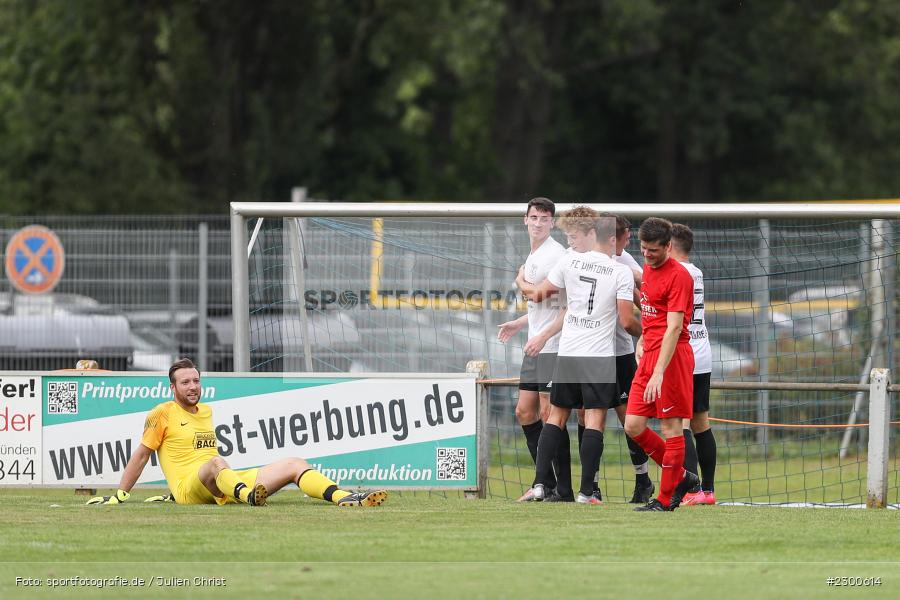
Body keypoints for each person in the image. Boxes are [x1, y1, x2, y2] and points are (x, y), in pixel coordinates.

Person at [87, 358, 387, 508]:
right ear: (172, 387)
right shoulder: (162, 412)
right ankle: (249, 498)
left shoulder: (206, 411)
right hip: (190, 490)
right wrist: (120, 495)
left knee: (295, 463)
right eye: (185, 382)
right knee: (217, 462)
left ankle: (345, 498)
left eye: (196, 381)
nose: (192, 387)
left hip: (223, 482)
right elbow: (142, 456)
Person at [517, 207, 641, 505]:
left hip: (568, 351)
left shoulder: (569, 260)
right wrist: (648, 332)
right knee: (594, 419)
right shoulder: (619, 271)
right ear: (611, 239)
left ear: (591, 234)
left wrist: (521, 280)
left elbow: (539, 294)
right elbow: (627, 321)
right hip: (598, 355)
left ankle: (539, 483)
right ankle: (587, 492)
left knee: (556, 417)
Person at [573, 213, 653, 503]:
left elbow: (644, 294)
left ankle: (643, 480)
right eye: (626, 237)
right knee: (586, 414)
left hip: (619, 352)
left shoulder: (625, 262)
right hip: (593, 351)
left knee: (627, 416)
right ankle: (591, 484)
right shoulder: (585, 258)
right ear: (612, 237)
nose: (629, 242)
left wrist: (649, 328)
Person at [497, 197, 573, 502]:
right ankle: (545, 483)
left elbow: (563, 306)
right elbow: (542, 307)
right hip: (536, 344)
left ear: (552, 222)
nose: (538, 223)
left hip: (552, 345)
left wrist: (519, 282)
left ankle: (562, 489)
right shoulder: (534, 255)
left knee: (550, 413)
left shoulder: (556, 255)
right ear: (525, 220)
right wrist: (520, 322)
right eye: (534, 217)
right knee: (524, 411)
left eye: (544, 218)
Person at [624, 217, 700, 511]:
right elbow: (652, 313)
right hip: (650, 355)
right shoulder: (648, 269)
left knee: (671, 427)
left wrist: (659, 371)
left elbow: (674, 327)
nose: (647, 254)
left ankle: (666, 499)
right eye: (643, 249)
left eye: (653, 250)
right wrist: (643, 340)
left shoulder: (680, 276)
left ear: (668, 246)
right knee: (633, 425)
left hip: (672, 358)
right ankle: (680, 476)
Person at [669, 223, 716, 506]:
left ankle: (691, 488)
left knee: (680, 422)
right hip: (703, 353)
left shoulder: (675, 273)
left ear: (670, 246)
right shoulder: (696, 272)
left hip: (683, 354)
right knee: (701, 422)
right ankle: (707, 490)